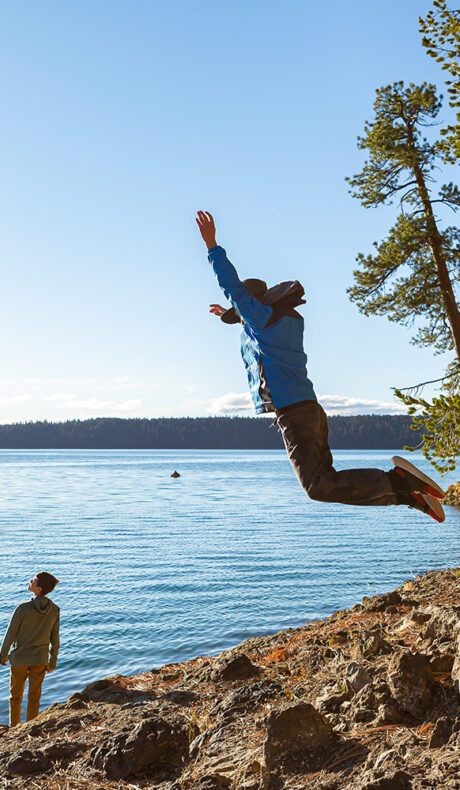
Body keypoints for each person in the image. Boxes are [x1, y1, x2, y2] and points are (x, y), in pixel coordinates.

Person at [195, 210, 445, 522]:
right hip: (308, 409)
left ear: (254, 304)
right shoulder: (280, 322)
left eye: (242, 308)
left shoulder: (261, 320)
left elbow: (234, 288)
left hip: (295, 413)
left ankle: (399, 482)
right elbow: (252, 326)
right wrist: (228, 315)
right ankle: (409, 496)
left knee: (317, 487)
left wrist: (212, 246)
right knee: (327, 484)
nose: (240, 313)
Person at [0, 571, 60, 727]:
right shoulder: (55, 610)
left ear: (39, 589)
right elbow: (55, 639)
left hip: (19, 659)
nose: (30, 581)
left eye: (33, 580)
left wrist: (2, 656)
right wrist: (52, 662)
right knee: (34, 697)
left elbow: (10, 635)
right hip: (40, 660)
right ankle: (31, 727)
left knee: (15, 697)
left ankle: (14, 728)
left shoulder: (23, 609)